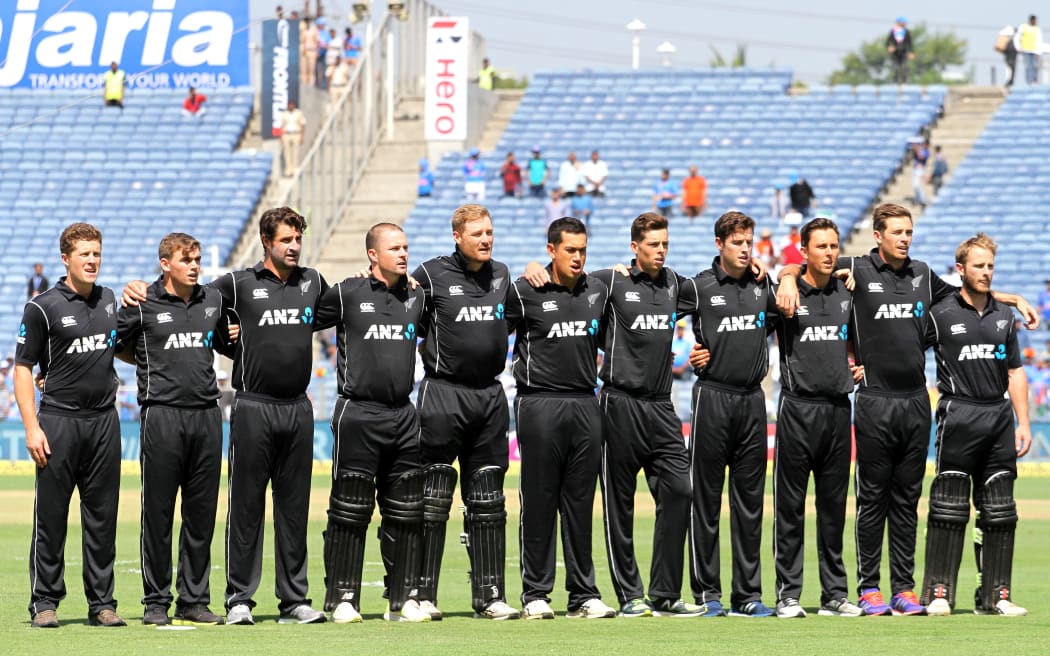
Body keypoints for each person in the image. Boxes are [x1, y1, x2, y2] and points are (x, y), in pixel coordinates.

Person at [775, 203, 1036, 617]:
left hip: (916, 402)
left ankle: (903, 588)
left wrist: (1012, 296)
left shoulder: (923, 275)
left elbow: (969, 292)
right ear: (878, 236)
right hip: (875, 400)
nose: (904, 238)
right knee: (872, 499)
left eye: (909, 232)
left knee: (906, 500)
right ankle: (869, 589)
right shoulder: (856, 269)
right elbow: (805, 265)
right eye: (897, 232)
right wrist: (786, 278)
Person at [126, 207, 330, 625]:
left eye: (297, 239)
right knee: (245, 506)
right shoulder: (232, 286)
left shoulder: (313, 282)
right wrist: (135, 288)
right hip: (251, 406)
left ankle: (294, 599)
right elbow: (183, 301)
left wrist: (401, 283)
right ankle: (239, 597)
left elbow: (351, 307)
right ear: (266, 242)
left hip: (298, 407)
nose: (293, 246)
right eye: (285, 239)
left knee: (294, 509)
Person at [314, 223, 429, 624]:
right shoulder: (347, 292)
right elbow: (300, 322)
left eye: (406, 246)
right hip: (358, 413)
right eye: (394, 247)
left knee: (407, 509)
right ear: (372, 255)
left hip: (403, 413)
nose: (402, 253)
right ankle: (342, 598)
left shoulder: (417, 295)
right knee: (350, 508)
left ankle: (404, 599)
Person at [409, 204, 520, 621]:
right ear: (457, 236)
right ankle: (421, 595)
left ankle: (489, 595)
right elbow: (402, 314)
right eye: (477, 233)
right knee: (433, 496)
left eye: (489, 232)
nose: (486, 239)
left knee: (488, 498)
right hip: (443, 395)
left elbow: (511, 320)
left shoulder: (502, 274)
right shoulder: (430, 274)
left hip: (490, 397)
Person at [115, 233, 232, 626]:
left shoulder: (212, 299)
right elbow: (115, 343)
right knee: (159, 513)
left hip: (206, 414)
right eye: (187, 260)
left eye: (197, 258)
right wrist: (150, 362)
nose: (195, 265)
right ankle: (156, 602)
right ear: (166, 264)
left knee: (201, 514)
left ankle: (194, 600)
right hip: (161, 414)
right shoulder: (141, 300)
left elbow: (221, 340)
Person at [589, 212, 702, 618]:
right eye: (653, 244)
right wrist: (534, 267)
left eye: (665, 244)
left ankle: (666, 593)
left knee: (680, 491)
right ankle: (629, 594)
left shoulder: (676, 284)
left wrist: (785, 272)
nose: (661, 251)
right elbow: (564, 278)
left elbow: (719, 289)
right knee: (619, 505)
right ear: (634, 247)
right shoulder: (611, 280)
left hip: (662, 406)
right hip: (618, 404)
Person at [505, 217, 615, 620]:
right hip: (539, 404)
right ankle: (535, 593)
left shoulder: (597, 291)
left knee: (581, 503)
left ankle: (584, 594)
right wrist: (525, 266)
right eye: (571, 250)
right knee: (539, 499)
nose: (579, 257)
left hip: (586, 404)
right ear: (552, 250)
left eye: (583, 250)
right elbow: (485, 329)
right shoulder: (526, 291)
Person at [17, 223, 126, 628]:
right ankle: (45, 602)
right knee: (52, 516)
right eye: (84, 254)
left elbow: (123, 345)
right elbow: (24, 368)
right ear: (66, 258)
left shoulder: (111, 300)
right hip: (59, 421)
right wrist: (31, 426)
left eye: (97, 252)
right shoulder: (42, 306)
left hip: (103, 423)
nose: (93, 260)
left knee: (102, 517)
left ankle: (102, 604)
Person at [920, 233, 1031, 617]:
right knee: (948, 505)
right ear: (960, 269)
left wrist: (1024, 423)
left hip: (998, 417)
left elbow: (1015, 371)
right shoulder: (940, 312)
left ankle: (996, 596)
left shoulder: (1004, 315)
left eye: (990, 267)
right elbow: (905, 347)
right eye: (979, 266)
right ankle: (938, 591)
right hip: (958, 414)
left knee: (1000, 509)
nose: (985, 273)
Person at [681, 211, 778, 618]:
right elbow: (645, 318)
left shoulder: (762, 284)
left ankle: (748, 595)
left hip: (752, 401)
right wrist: (688, 356)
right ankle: (708, 593)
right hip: (712, 398)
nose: (744, 249)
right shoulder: (698, 287)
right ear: (719, 243)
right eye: (737, 242)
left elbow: (780, 316)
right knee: (705, 499)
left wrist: (780, 274)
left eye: (748, 242)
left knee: (750, 502)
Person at [771, 218, 864, 619]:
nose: (828, 253)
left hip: (839, 411)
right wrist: (787, 276)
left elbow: (866, 341)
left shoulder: (848, 291)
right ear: (804, 251)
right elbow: (741, 333)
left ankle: (834, 594)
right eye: (820, 247)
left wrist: (862, 366)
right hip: (797, 409)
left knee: (832, 508)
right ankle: (788, 594)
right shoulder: (785, 293)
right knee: (789, 508)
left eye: (833, 246)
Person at [1014, 15, 1043, 85]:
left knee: (1035, 66)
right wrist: (1018, 48)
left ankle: (1034, 81)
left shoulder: (1037, 29)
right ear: (1031, 20)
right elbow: (1017, 38)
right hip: (1026, 51)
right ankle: (1029, 82)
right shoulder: (1023, 27)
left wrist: (1039, 52)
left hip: (1034, 51)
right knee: (1028, 66)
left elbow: (1039, 41)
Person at [280, 100, 306, 176]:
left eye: (292, 105)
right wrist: (281, 136)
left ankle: (295, 169)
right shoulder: (284, 114)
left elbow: (303, 124)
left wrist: (302, 136)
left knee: (295, 152)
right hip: (287, 134)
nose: (290, 106)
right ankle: (288, 170)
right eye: (289, 105)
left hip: (296, 134)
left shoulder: (299, 113)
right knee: (287, 153)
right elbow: (282, 125)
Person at [886, 17, 914, 84]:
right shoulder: (893, 31)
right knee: (895, 67)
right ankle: (895, 80)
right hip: (895, 53)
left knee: (905, 67)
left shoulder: (906, 32)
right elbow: (888, 41)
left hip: (904, 51)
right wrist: (890, 46)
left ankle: (905, 80)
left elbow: (909, 43)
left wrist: (911, 52)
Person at [911, 140, 929, 208]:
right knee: (915, 185)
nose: (923, 145)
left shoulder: (927, 151)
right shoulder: (921, 149)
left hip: (920, 169)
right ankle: (918, 199)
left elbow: (921, 157)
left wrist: (916, 148)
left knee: (917, 185)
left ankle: (923, 199)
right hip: (915, 169)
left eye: (924, 144)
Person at [302, 17, 319, 87]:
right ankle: (304, 85)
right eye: (306, 21)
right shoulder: (303, 31)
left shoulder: (314, 30)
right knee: (304, 71)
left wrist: (317, 52)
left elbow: (317, 42)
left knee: (311, 71)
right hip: (305, 52)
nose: (307, 23)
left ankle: (311, 85)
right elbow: (302, 42)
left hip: (312, 51)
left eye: (308, 21)